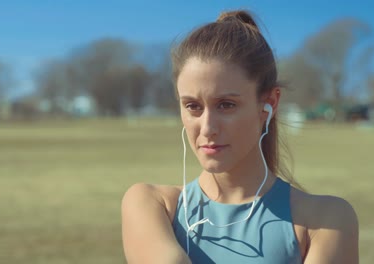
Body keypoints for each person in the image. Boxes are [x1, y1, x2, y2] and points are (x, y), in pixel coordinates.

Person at [122, 10, 358, 264]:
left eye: (226, 105)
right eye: (193, 106)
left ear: (269, 103)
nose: (207, 127)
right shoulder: (151, 204)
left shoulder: (327, 220)